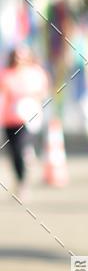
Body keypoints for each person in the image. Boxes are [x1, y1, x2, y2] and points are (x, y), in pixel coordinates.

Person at [0, 46, 49, 196]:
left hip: (28, 119)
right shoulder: (6, 75)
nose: (19, 60)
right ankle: (20, 180)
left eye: (23, 57)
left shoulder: (35, 73)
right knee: (14, 152)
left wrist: (32, 100)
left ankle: (28, 154)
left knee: (22, 146)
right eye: (16, 57)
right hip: (10, 119)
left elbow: (43, 91)